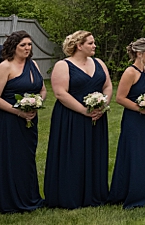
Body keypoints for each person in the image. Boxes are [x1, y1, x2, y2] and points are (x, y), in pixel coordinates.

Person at [44, 31, 113, 209]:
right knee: (73, 154)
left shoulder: (99, 63)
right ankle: (70, 195)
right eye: (90, 43)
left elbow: (108, 86)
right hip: (71, 117)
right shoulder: (63, 65)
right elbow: (60, 93)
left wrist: (102, 105)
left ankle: (95, 193)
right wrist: (84, 110)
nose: (94, 46)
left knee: (94, 153)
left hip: (97, 117)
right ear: (79, 46)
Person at [0, 30, 46, 213]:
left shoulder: (33, 64)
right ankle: (10, 199)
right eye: (23, 45)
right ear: (13, 47)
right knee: (12, 157)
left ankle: (30, 196)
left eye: (29, 45)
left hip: (30, 118)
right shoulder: (5, 66)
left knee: (27, 157)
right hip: (10, 120)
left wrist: (37, 104)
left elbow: (43, 90)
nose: (27, 48)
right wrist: (19, 111)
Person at [109, 39, 145, 209]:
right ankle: (132, 193)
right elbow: (120, 98)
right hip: (133, 119)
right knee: (134, 153)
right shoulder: (129, 72)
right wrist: (140, 109)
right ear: (139, 54)